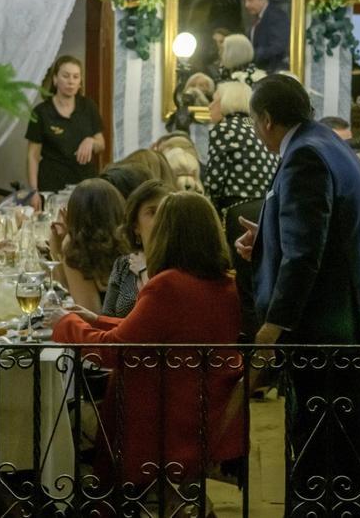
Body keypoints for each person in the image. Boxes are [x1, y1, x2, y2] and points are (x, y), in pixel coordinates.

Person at [234, 75, 360, 501]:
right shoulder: (330, 143)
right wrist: (267, 235)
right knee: (336, 449)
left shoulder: (304, 156)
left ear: (265, 119)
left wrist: (273, 326)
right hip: (347, 320)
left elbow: (306, 254)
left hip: (327, 329)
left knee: (323, 455)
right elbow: (322, 231)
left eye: (253, 122)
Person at [51, 192, 245, 494]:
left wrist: (63, 324)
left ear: (167, 234)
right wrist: (94, 320)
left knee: (62, 417)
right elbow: (160, 333)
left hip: (167, 421)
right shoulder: (227, 283)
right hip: (209, 410)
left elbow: (113, 351)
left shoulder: (168, 285)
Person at [26, 55, 106, 194]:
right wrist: (34, 191)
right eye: (66, 76)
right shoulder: (41, 112)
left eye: (76, 77)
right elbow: (33, 156)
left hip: (85, 185)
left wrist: (91, 141)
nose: (71, 82)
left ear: (80, 82)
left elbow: (101, 144)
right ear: (55, 79)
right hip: (52, 185)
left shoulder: (88, 106)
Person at [51, 178, 127, 310]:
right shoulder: (131, 240)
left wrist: (63, 243)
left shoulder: (78, 251)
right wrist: (57, 243)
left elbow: (89, 314)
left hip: (112, 328)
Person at [101, 181, 173, 318]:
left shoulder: (180, 264)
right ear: (135, 226)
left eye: (165, 212)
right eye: (152, 212)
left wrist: (144, 271)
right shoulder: (123, 265)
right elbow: (106, 319)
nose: (161, 219)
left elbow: (161, 317)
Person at [204, 80, 278, 214]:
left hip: (237, 209)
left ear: (226, 102)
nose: (209, 106)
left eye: (214, 101)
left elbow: (215, 181)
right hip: (267, 208)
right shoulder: (258, 127)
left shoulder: (224, 129)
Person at [243, 0, 290, 73]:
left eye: (250, 0)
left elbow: (278, 47)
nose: (246, 5)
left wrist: (251, 55)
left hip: (272, 72)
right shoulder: (258, 17)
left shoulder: (276, 16)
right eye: (245, 0)